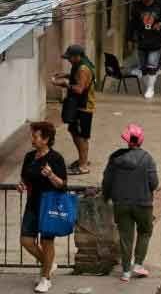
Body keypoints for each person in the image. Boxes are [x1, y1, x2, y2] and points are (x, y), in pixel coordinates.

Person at [102, 124, 159, 282]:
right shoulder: (147, 158)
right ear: (141, 140)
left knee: (125, 237)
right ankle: (138, 263)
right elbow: (154, 183)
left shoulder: (115, 158)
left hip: (121, 204)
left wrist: (106, 197)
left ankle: (126, 271)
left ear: (127, 140)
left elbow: (107, 181)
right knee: (145, 232)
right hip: (143, 204)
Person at [19, 121, 68, 294]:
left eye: (35, 136)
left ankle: (45, 278)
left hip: (49, 206)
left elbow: (63, 185)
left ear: (46, 139)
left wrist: (51, 175)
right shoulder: (29, 157)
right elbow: (25, 177)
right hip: (32, 204)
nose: (32, 139)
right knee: (26, 241)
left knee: (47, 242)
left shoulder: (56, 159)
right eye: (33, 135)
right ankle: (50, 264)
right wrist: (22, 185)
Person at [51, 44, 94, 174]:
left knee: (81, 136)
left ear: (77, 56)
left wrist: (65, 84)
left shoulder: (83, 69)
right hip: (78, 106)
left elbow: (79, 89)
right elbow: (76, 78)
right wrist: (66, 75)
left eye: (70, 58)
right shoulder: (79, 65)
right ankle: (82, 160)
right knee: (75, 132)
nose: (68, 60)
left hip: (83, 107)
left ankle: (83, 165)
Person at [128, 0, 161, 99]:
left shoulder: (159, 5)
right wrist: (129, 39)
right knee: (143, 69)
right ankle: (149, 84)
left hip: (156, 41)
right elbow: (132, 24)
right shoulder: (137, 7)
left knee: (152, 66)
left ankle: (150, 88)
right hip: (141, 41)